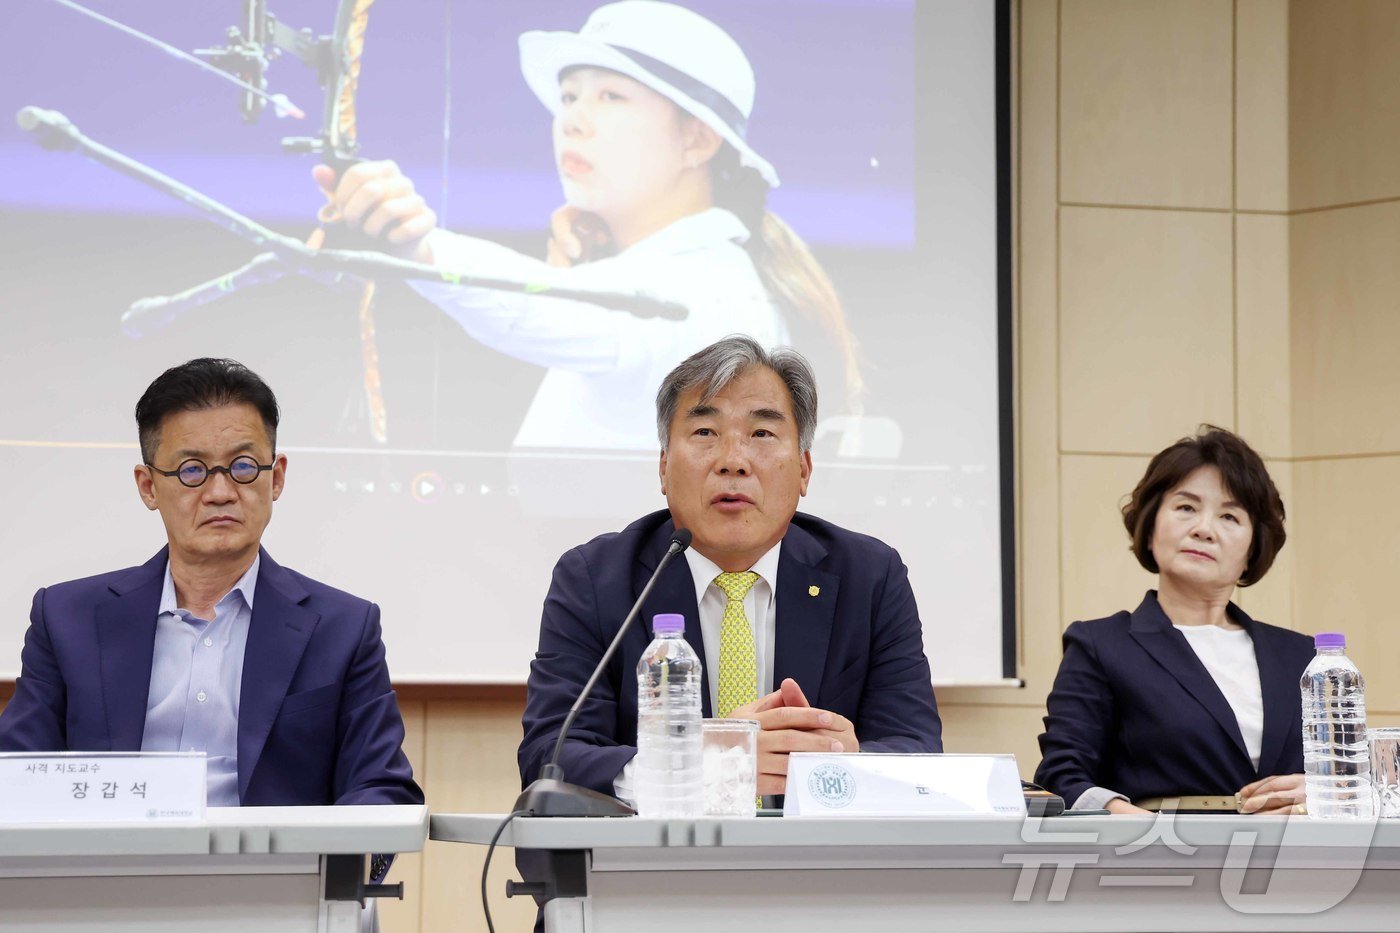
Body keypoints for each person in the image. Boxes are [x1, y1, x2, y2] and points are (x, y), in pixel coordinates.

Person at [313, 0, 862, 451]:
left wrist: (416, 246)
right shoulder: (690, 269)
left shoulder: (707, 287)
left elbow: (540, 309)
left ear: (696, 139)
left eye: (611, 96)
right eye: (570, 95)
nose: (571, 118)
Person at [517, 335, 939, 801]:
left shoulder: (870, 577)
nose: (733, 462)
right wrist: (709, 766)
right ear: (663, 467)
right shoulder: (596, 579)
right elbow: (550, 756)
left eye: (762, 434)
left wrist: (843, 764)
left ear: (803, 469)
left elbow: (916, 750)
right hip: (654, 867)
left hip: (816, 866)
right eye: (704, 433)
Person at [0, 358, 423, 814]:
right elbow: (18, 773)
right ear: (147, 487)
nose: (220, 492)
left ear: (275, 477)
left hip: (274, 877)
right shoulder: (67, 618)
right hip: (105, 876)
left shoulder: (343, 628)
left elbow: (381, 787)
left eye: (242, 466)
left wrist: (334, 872)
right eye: (192, 470)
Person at [1034, 426, 1313, 815]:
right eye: (1186, 508)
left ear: (1253, 548)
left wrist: (1324, 792)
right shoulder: (1102, 645)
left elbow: (1352, 777)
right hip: (1163, 862)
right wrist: (1148, 833)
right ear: (1150, 529)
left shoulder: (1304, 655)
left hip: (1298, 862)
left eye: (1230, 516)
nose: (1204, 529)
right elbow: (1061, 777)